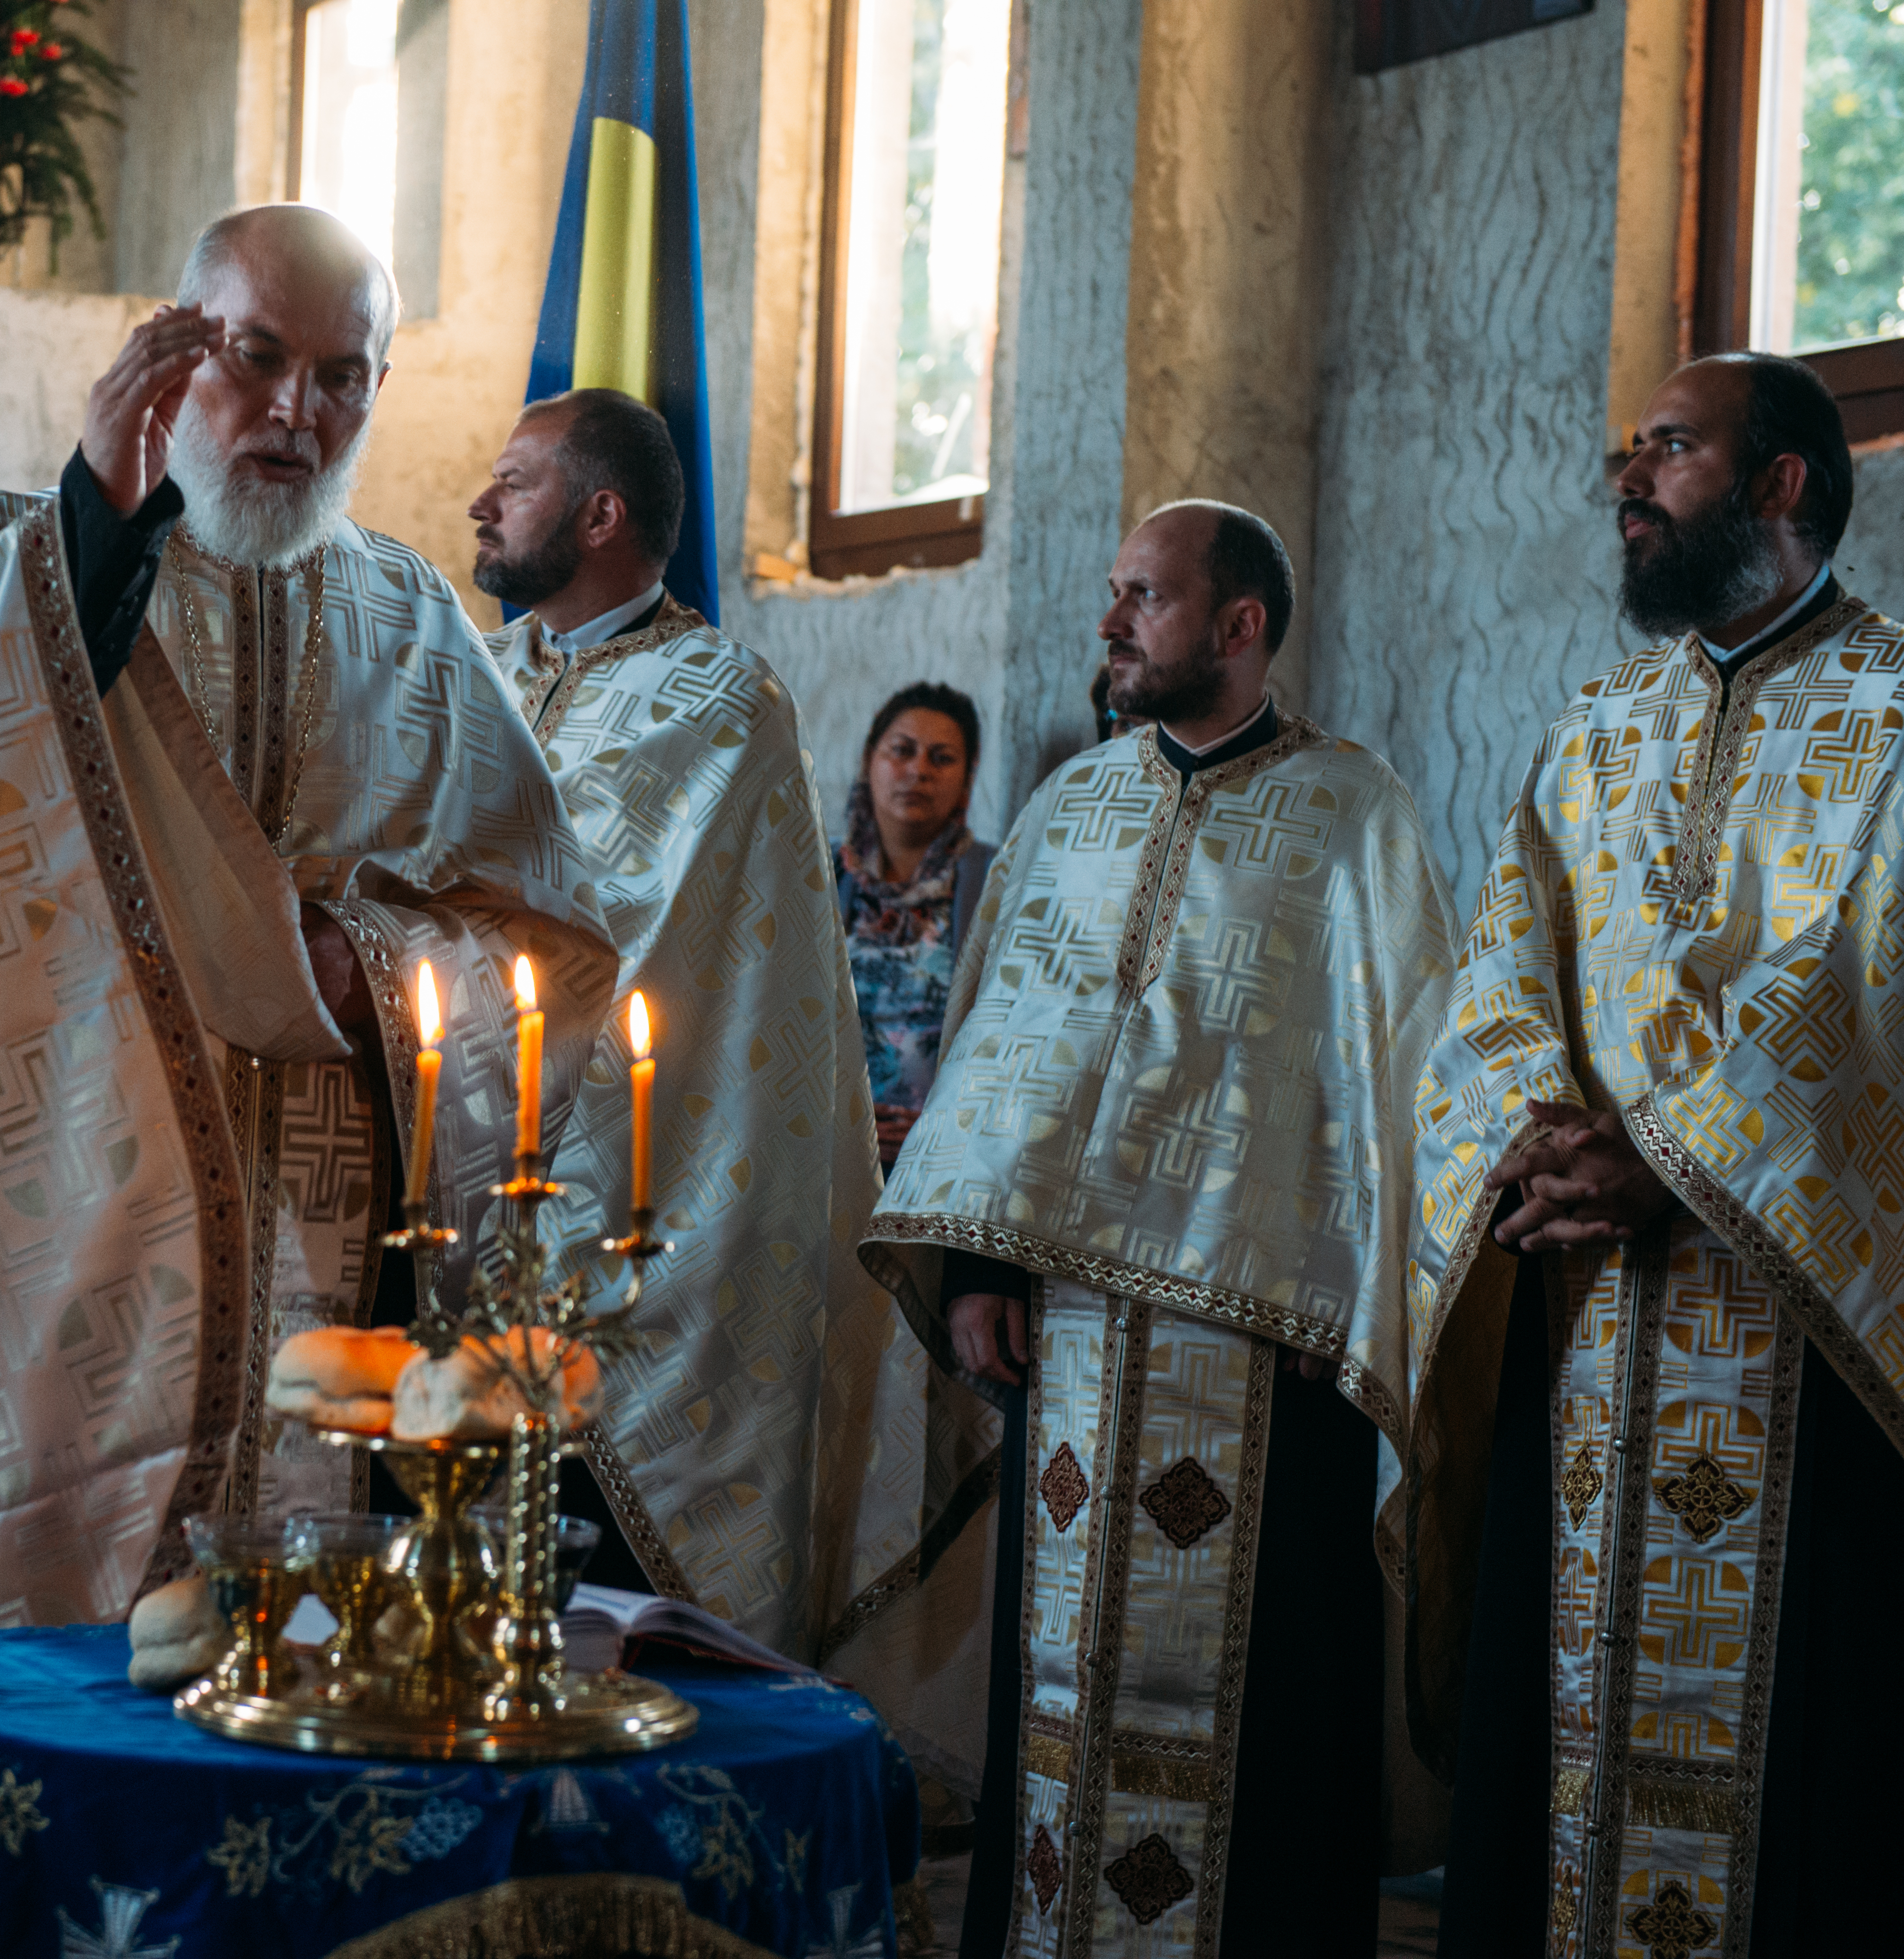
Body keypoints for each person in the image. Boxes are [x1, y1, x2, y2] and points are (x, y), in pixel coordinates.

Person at [0, 203, 612, 1638]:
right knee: (38, 1668)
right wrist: (92, 534)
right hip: (64, 1202)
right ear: (170, 353)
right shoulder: (17, 550)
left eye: (342, 373)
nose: (297, 409)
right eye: (255, 355)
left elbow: (552, 940)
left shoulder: (416, 620)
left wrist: (379, 968)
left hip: (330, 1234)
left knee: (284, 1670)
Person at [864, 500, 1457, 1958]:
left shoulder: (1354, 816)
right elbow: (1007, 1055)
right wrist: (977, 1271)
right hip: (1070, 1343)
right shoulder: (1069, 811)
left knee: (1261, 1719)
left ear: (1240, 625)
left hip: (1267, 1354)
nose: (1111, 619)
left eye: (1145, 595)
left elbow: (1401, 1079)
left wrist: (1365, 1305)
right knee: (1064, 1686)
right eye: (1112, 590)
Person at [1412, 353, 1901, 1953]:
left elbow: (1857, 979)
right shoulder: (1596, 721)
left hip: (1794, 1332)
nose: (1627, 477)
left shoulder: (1892, 713)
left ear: (1776, 484)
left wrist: (1665, 1156)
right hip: (1580, 1313)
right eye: (1629, 450)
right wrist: (1541, 1125)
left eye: (1670, 449)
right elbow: (1502, 957)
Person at [468, 386, 932, 1695]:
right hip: (463, 1210)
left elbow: (620, 938)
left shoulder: (717, 695)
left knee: (622, 1643)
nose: (482, 504)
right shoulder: (484, 677)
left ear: (601, 514)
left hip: (648, 1219)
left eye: (515, 480)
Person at [834, 682, 994, 1170]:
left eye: (941, 758)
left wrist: (940, 1124)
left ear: (967, 779)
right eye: (901, 750)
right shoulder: (818, 875)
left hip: (951, 1160)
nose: (918, 770)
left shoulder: (997, 880)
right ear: (869, 761)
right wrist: (843, 1121)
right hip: (832, 1153)